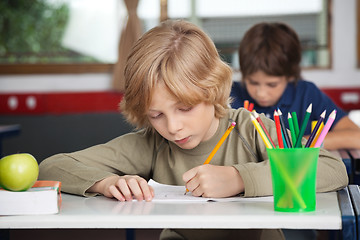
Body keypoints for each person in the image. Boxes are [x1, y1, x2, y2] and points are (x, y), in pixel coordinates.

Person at [39, 20, 348, 240]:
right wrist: (105, 183)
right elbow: (52, 166)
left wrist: (241, 178)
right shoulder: (153, 142)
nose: (172, 127)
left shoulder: (249, 128)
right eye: (156, 114)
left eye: (185, 108)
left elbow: (332, 167)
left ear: (212, 90)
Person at [230, 22, 360, 150]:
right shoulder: (230, 93)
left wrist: (300, 145)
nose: (261, 93)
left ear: (290, 76)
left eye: (272, 84)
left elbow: (356, 137)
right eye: (253, 82)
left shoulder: (306, 93)